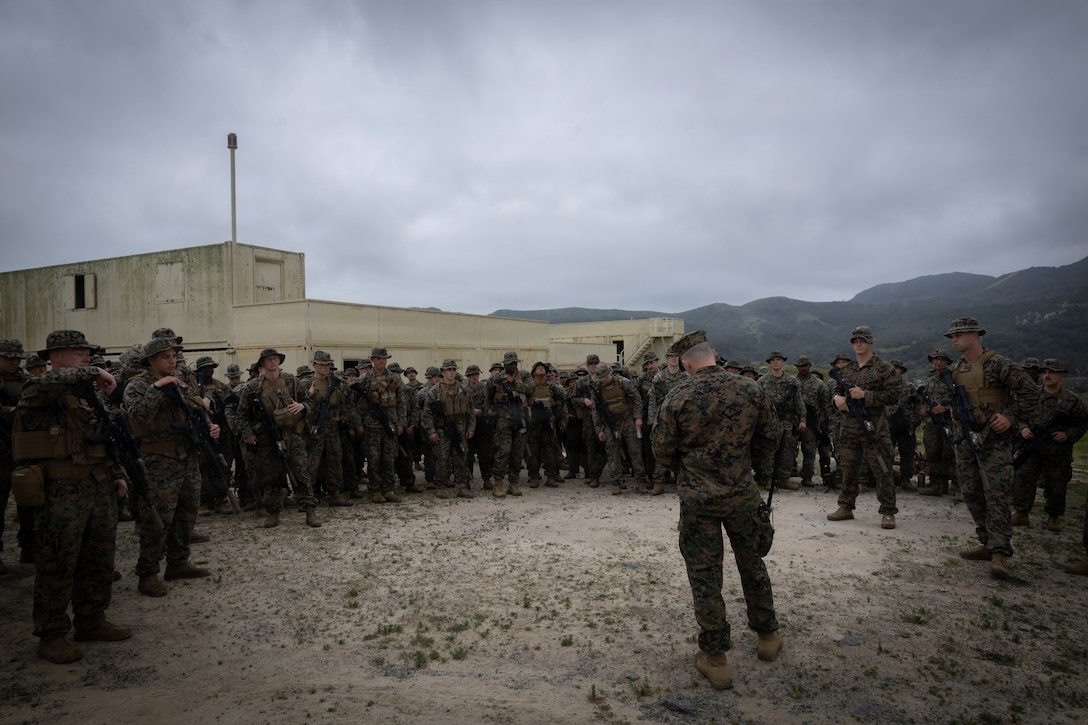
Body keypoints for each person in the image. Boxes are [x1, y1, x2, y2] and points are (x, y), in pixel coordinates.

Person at [651, 329, 782, 690]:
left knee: (705, 575)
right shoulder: (751, 389)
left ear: (686, 363)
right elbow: (772, 438)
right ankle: (768, 634)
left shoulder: (678, 397)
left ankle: (716, 658)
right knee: (752, 564)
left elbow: (661, 451)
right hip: (742, 495)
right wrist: (743, 462)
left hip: (698, 503)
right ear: (714, 354)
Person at [14, 330, 131, 663]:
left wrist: (117, 474)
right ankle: (51, 634)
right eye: (78, 352)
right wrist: (96, 372)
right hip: (60, 491)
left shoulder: (84, 395)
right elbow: (42, 388)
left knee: (99, 558)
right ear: (54, 357)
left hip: (97, 486)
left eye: (87, 353)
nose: (86, 357)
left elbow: (101, 438)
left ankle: (91, 620)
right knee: (57, 562)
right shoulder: (39, 388)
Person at [943, 317, 1037, 579]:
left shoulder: (998, 364)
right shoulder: (955, 369)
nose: (954, 339)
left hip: (994, 441)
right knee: (972, 493)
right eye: (952, 336)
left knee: (996, 494)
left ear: (974, 334)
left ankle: (1000, 553)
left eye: (958, 335)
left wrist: (1011, 418)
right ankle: (987, 542)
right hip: (966, 440)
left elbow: (1030, 393)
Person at [123, 338, 216, 597]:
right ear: (151, 361)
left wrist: (210, 426)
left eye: (174, 355)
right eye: (165, 356)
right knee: (158, 518)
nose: (172, 361)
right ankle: (148, 572)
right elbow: (138, 417)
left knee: (187, 513)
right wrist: (157, 388)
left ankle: (178, 562)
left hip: (187, 457)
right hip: (159, 461)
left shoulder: (180, 382)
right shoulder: (138, 386)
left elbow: (196, 409)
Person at [230, 348, 322, 528]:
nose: (272, 362)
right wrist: (248, 434)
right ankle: (273, 512)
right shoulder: (253, 387)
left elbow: (308, 401)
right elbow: (241, 415)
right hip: (267, 440)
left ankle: (310, 510)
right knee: (269, 476)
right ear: (262, 364)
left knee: (301, 473)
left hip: (292, 436)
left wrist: (302, 406)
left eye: (275, 359)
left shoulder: (291, 381)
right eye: (268, 359)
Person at [826, 326, 899, 530]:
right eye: (855, 340)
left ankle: (887, 511)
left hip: (874, 427)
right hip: (849, 426)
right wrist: (837, 399)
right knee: (848, 468)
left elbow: (894, 396)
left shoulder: (884, 368)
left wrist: (866, 395)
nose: (858, 343)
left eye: (863, 340)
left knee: (882, 469)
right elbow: (835, 390)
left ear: (870, 343)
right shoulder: (846, 370)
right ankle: (846, 506)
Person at [1012, 359, 1087, 532]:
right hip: (1031, 447)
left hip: (1057, 450)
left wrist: (1067, 435)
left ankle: (1054, 516)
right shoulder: (1032, 396)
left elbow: (1082, 423)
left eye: (1052, 372)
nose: (1047, 375)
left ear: (1061, 375)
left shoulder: (1071, 400)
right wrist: (1023, 429)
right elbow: (1018, 416)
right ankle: (1022, 512)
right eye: (1044, 372)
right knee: (1023, 479)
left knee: (1057, 483)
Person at [352, 347, 408, 503]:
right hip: (371, 427)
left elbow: (401, 403)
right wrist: (358, 423)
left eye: (383, 358)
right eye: (378, 358)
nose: (381, 361)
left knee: (389, 459)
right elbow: (352, 404)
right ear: (372, 360)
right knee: (373, 459)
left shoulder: (394, 379)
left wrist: (401, 422)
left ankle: (388, 489)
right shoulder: (364, 380)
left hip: (390, 424)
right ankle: (375, 490)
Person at [1, 338, 36, 574]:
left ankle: (29, 547)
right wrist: (8, 411)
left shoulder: (26, 381)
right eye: (8, 358)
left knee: (30, 502)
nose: (14, 362)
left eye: (17, 358)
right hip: (1, 453)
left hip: (24, 450)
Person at [421, 359, 476, 498]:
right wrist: (431, 431)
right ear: (443, 372)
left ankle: (462, 486)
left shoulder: (464, 390)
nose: (451, 372)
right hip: (442, 430)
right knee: (442, 458)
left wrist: (471, 427)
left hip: (460, 430)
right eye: (448, 370)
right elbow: (426, 414)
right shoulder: (435, 391)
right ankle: (440, 485)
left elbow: (470, 412)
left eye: (453, 370)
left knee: (460, 457)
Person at [589, 364, 648, 495]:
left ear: (611, 374)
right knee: (612, 453)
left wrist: (638, 418)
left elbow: (637, 399)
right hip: (610, 423)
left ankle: (641, 481)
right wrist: (599, 429)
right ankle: (616, 482)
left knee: (635, 451)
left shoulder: (623, 382)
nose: (603, 380)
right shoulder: (596, 389)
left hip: (627, 419)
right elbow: (595, 411)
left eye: (604, 377)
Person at [306, 350, 355, 507]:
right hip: (314, 429)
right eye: (322, 365)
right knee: (312, 463)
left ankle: (335, 494)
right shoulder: (305, 384)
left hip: (333, 428)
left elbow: (348, 403)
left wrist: (345, 420)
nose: (326, 368)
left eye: (328, 364)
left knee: (335, 460)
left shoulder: (338, 383)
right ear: (314, 365)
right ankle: (309, 495)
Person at [485, 351, 533, 498]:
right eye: (510, 363)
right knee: (503, 452)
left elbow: (531, 389)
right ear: (505, 364)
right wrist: (491, 418)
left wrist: (514, 382)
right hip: (503, 421)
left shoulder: (524, 376)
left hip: (520, 420)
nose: (513, 365)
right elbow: (489, 399)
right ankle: (498, 483)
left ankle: (513, 483)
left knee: (517, 453)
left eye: (514, 363)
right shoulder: (496, 379)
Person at [757, 352, 806, 491]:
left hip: (786, 421)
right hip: (768, 422)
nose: (776, 362)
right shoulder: (762, 381)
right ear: (769, 363)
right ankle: (768, 479)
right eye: (773, 360)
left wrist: (802, 420)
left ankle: (784, 478)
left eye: (778, 360)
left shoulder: (792, 381)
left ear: (783, 362)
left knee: (788, 450)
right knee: (768, 451)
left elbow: (799, 403)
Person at [917, 349, 959, 498]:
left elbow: (958, 398)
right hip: (931, 421)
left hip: (949, 421)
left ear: (947, 362)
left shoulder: (953, 377)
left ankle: (957, 486)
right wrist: (923, 409)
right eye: (935, 359)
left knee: (951, 453)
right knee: (933, 453)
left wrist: (946, 408)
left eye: (941, 359)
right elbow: (925, 398)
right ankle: (936, 485)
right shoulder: (930, 378)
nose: (938, 362)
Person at [525, 361, 567, 487]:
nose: (541, 370)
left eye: (543, 368)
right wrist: (530, 401)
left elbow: (563, 400)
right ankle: (533, 476)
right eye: (538, 368)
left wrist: (555, 404)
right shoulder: (528, 387)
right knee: (533, 452)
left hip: (548, 422)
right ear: (533, 373)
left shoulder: (553, 387)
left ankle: (551, 476)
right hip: (532, 423)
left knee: (550, 451)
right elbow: (519, 401)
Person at [794, 355, 828, 488]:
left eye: (805, 365)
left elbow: (825, 405)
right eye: (800, 366)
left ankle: (807, 477)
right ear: (797, 367)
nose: (803, 368)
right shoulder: (792, 382)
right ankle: (783, 475)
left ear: (810, 366)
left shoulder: (819, 384)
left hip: (812, 421)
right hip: (794, 420)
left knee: (809, 450)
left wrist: (825, 423)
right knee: (789, 449)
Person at [886, 360, 920, 491]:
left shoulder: (909, 387)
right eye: (892, 368)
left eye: (897, 368)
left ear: (902, 370)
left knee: (907, 452)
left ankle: (906, 479)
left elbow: (917, 404)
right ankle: (888, 480)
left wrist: (916, 419)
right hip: (889, 423)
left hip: (906, 424)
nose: (895, 370)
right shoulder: (884, 387)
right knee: (887, 452)